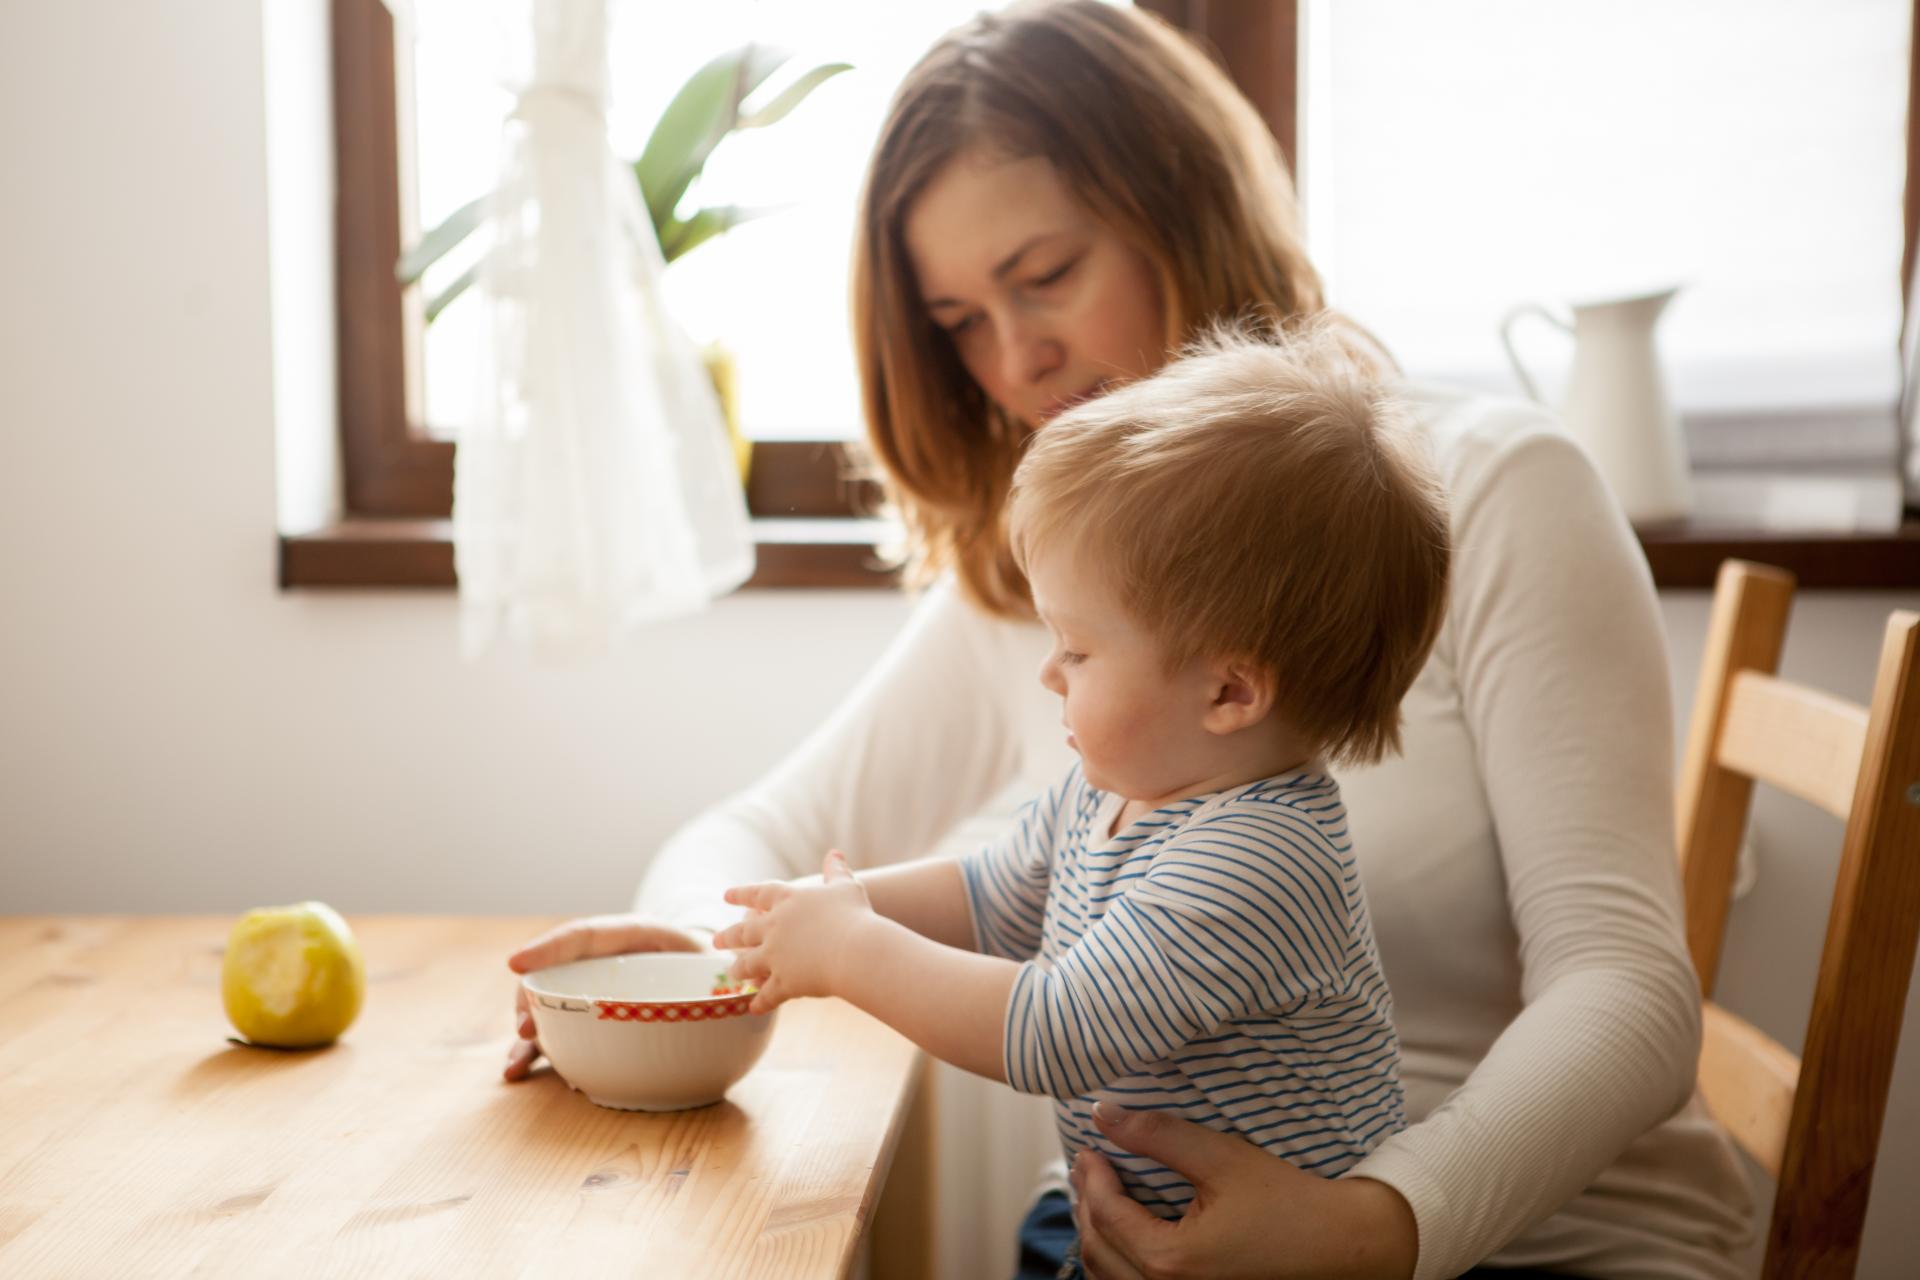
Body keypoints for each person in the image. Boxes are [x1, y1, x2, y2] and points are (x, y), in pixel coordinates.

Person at [504, 2, 1755, 1276]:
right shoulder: (1058, 587)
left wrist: (1381, 1223)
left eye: (1044, 276)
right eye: (957, 320)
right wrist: (703, 959)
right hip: (1140, 1231)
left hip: (1535, 1239)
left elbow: (1631, 994)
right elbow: (764, 832)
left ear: (1183, 212)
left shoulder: (1487, 488)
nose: (1015, 359)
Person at [709, 324, 1447, 1243]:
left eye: (1078, 648)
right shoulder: (1118, 787)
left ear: (1228, 690)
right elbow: (991, 895)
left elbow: (1058, 1031)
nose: (1049, 673)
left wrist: (852, 951)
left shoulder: (1259, 858)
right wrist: (827, 907)